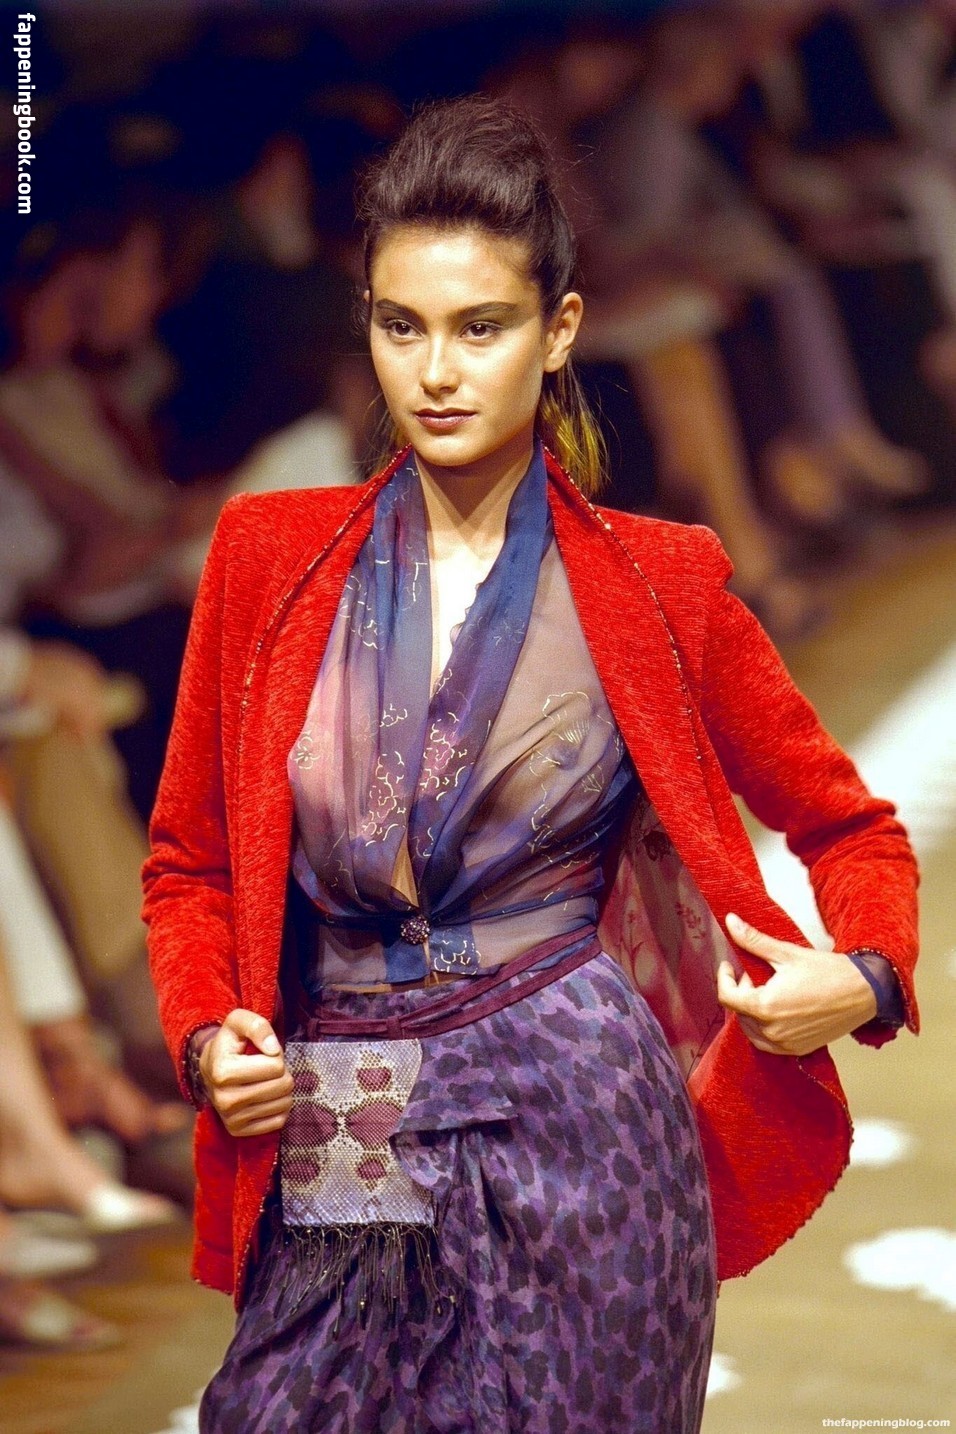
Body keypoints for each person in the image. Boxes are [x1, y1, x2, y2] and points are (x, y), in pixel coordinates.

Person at [142, 96, 920, 1433]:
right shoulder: (268, 558)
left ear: (559, 332)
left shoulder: (657, 583)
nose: (437, 372)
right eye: (403, 327)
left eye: (481, 327)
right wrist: (211, 1033)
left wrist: (861, 975)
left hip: (586, 1115)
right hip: (347, 1105)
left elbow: (850, 828)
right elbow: (189, 864)